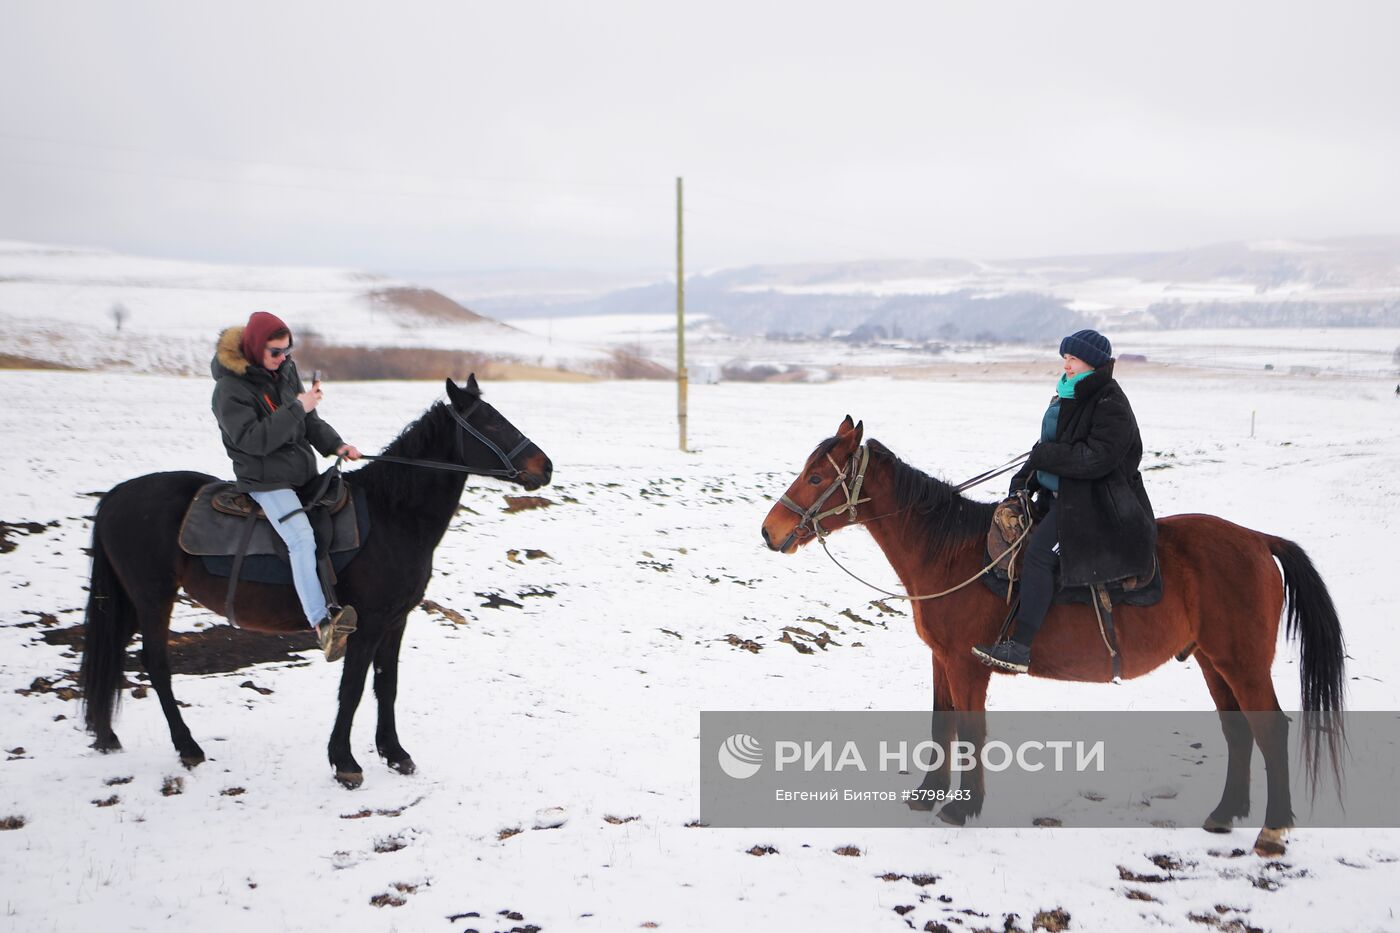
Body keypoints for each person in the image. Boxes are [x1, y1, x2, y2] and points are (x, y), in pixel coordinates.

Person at [973, 329, 1156, 674]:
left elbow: (1097, 458)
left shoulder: (1109, 402)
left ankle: (1021, 646)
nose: (1066, 365)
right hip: (1063, 498)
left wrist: (1046, 456)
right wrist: (1023, 479)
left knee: (1040, 554)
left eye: (1072, 359)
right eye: (1065, 359)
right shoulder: (1069, 396)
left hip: (1097, 506)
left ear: (1092, 362)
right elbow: (1046, 449)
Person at [210, 311, 362, 661]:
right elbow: (253, 441)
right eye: (275, 352)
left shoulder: (285, 370)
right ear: (253, 347)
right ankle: (322, 625)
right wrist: (297, 406)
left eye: (287, 351)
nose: (282, 359)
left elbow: (308, 420)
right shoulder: (229, 390)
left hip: (301, 472)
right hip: (265, 479)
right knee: (301, 538)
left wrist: (336, 445)